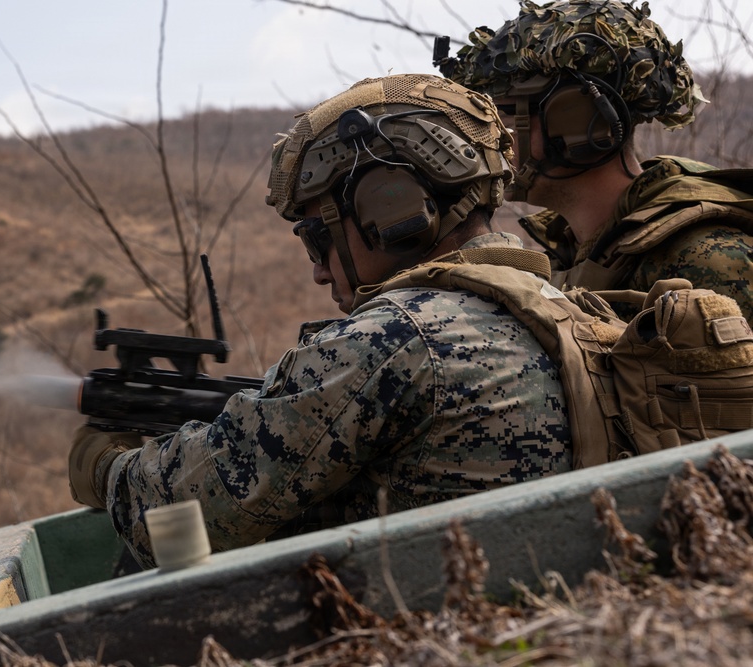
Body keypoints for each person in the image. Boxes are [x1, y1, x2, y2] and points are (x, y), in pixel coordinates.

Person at [68, 73, 573, 569]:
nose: (317, 270)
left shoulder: (395, 339)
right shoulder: (559, 309)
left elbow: (187, 511)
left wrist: (106, 465)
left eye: (318, 236)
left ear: (391, 207)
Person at [439, 0, 753, 320]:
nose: (491, 140)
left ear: (576, 123)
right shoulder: (578, 254)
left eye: (504, 117)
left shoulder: (706, 260)